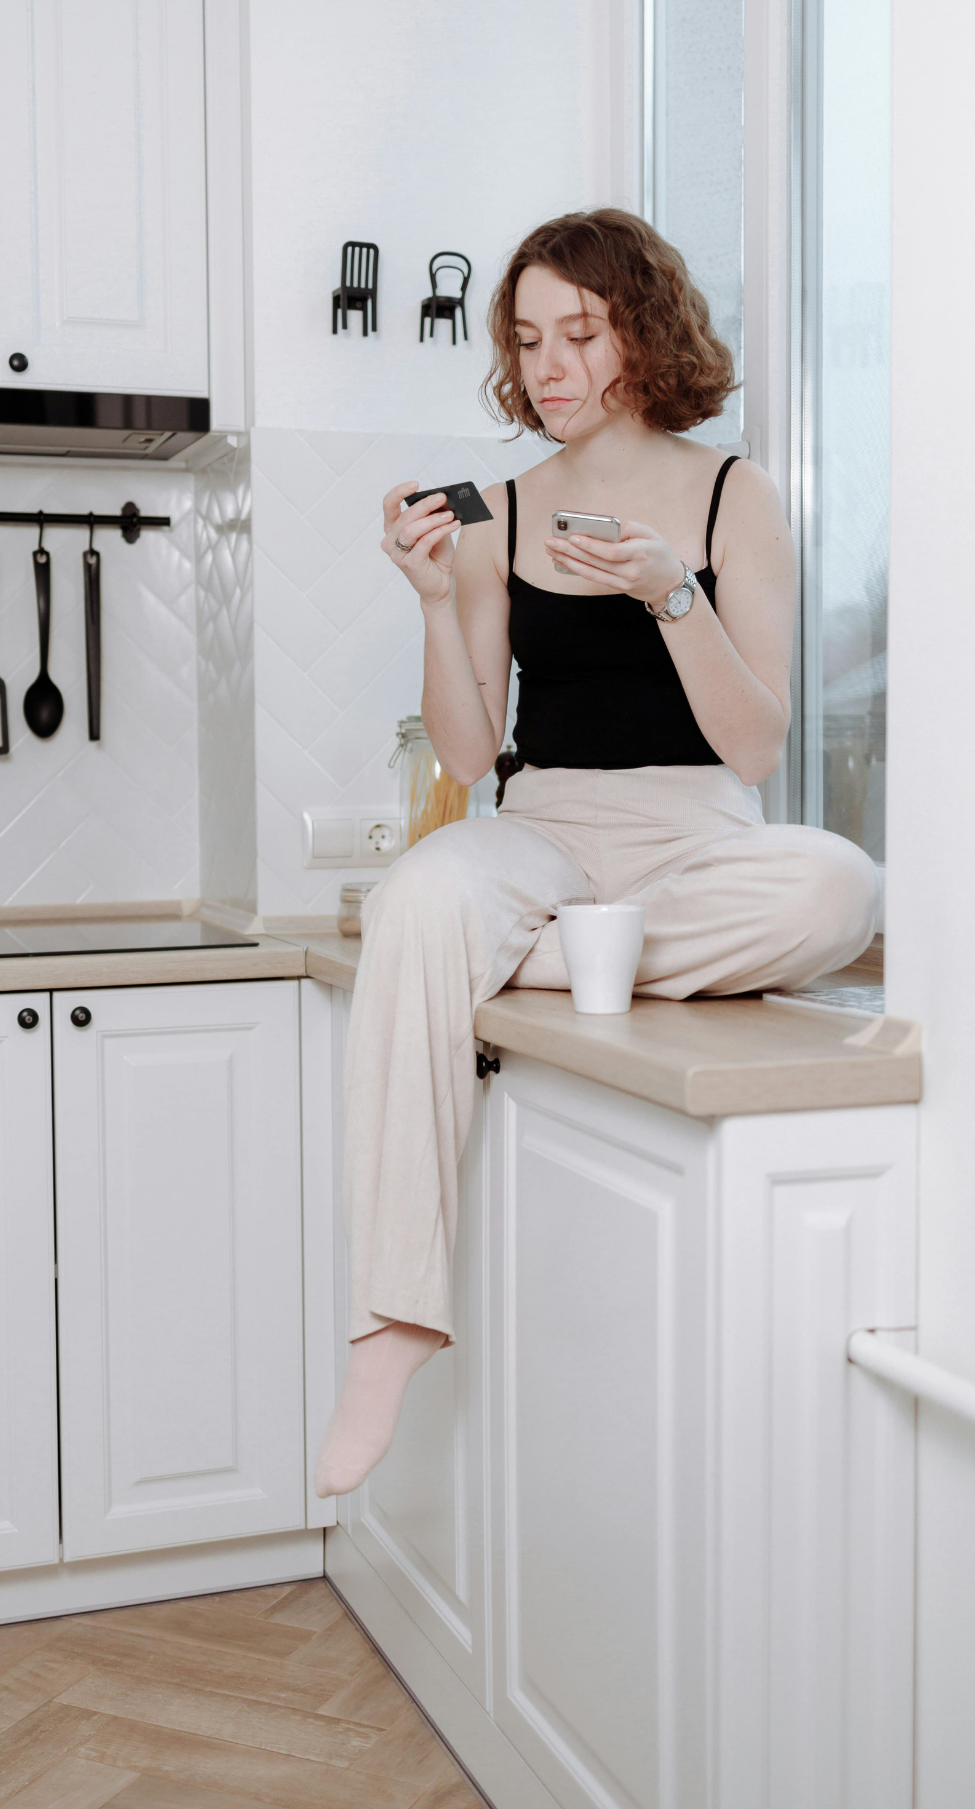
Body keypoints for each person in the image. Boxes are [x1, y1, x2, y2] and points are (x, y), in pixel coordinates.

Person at [314, 209, 877, 1498]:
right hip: (545, 825)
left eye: (580, 332)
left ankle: (551, 955)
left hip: (697, 832)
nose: (550, 365)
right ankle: (393, 1322)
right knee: (421, 895)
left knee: (841, 885)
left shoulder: (735, 495)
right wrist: (434, 600)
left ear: (646, 332)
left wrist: (668, 593)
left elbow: (754, 749)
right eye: (528, 340)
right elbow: (469, 755)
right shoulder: (497, 512)